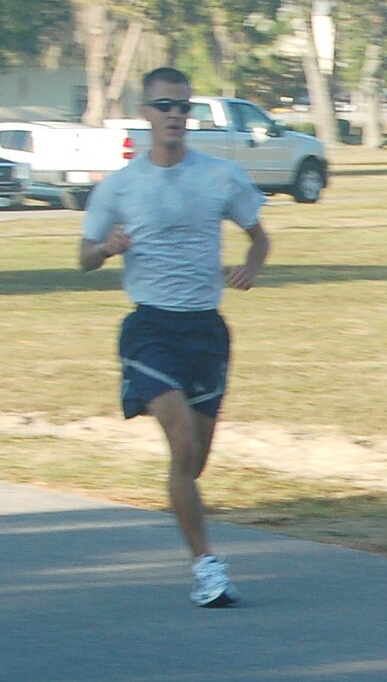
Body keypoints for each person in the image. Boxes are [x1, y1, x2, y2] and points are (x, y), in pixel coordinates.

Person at [79, 66, 270, 607]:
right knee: (183, 443)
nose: (174, 116)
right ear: (145, 113)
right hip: (150, 327)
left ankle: (184, 512)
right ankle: (207, 567)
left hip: (206, 329)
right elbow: (84, 258)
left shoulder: (219, 176)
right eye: (163, 106)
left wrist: (251, 266)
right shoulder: (118, 187)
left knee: (192, 464)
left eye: (183, 107)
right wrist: (108, 248)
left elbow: (260, 237)